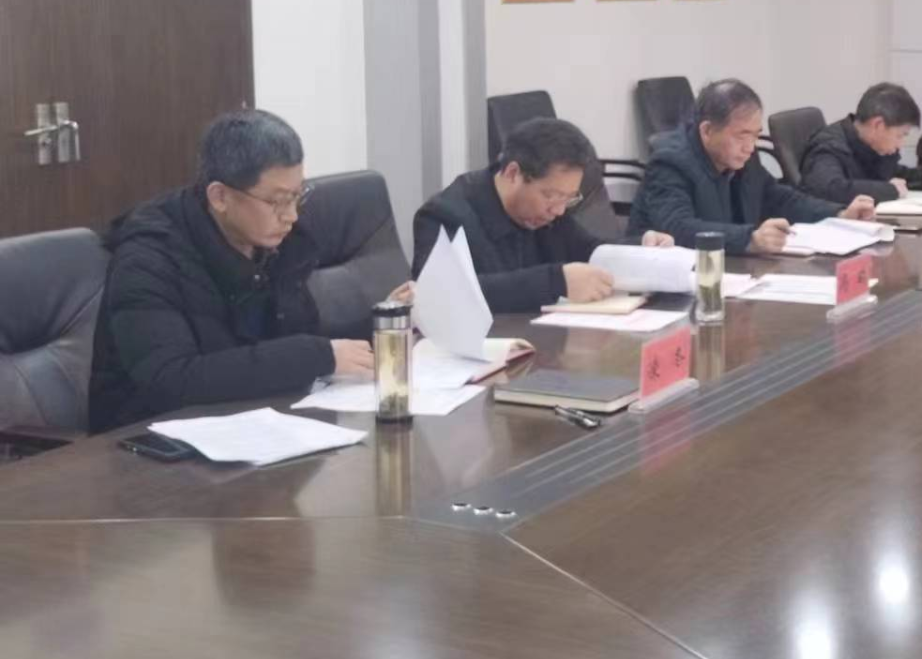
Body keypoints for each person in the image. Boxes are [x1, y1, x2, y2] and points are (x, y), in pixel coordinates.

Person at [89, 109, 402, 433]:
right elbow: (173, 381)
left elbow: (291, 337)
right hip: (148, 441)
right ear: (220, 197)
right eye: (277, 201)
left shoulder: (275, 240)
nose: (291, 216)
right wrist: (317, 355)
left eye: (297, 196)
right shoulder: (148, 259)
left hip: (253, 423)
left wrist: (384, 319)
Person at [414, 117, 673, 311]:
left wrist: (641, 247)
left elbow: (586, 250)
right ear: (513, 174)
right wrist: (556, 282)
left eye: (568, 198)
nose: (559, 210)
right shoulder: (445, 215)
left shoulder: (549, 214)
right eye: (550, 196)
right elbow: (439, 293)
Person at [629, 79, 876, 253]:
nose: (750, 146)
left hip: (733, 274)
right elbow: (679, 229)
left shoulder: (743, 155)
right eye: (741, 135)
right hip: (667, 287)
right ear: (707, 131)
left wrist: (839, 213)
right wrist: (750, 239)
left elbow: (779, 198)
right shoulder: (670, 163)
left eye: (756, 135)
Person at [801, 82, 921, 204]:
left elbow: (897, 175)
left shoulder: (870, 146)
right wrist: (890, 190)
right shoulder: (829, 147)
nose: (900, 145)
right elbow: (828, 188)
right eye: (900, 135)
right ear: (878, 125)